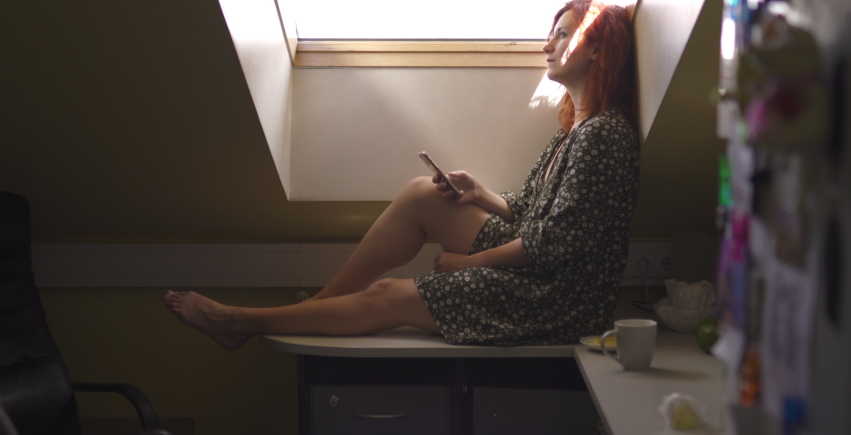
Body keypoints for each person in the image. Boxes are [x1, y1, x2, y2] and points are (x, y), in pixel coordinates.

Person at [165, 0, 640, 350]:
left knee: (387, 296)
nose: (547, 44)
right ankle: (326, 302)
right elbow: (532, 212)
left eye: (562, 34)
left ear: (596, 49)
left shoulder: (603, 136)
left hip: (556, 298)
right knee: (422, 194)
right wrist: (478, 192)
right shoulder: (574, 132)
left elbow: (551, 243)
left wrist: (470, 264)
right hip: (542, 267)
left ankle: (237, 321)